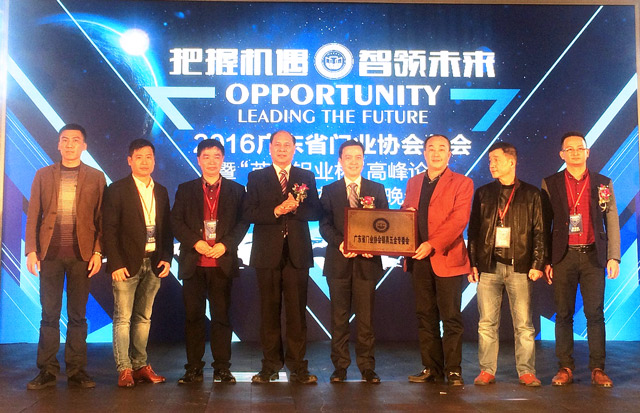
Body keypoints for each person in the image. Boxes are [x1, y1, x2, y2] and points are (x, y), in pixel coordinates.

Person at [25, 124, 106, 389]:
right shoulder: (43, 174)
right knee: (49, 314)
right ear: (59, 144)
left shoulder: (96, 177)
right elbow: (33, 214)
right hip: (49, 255)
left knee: (78, 316)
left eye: (75, 140)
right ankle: (47, 370)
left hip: (82, 256)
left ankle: (76, 370)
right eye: (65, 140)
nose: (70, 145)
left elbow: (101, 219)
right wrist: (31, 250)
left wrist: (98, 251)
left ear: (84, 146)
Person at [541, 132, 620, 387]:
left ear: (587, 152)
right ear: (562, 154)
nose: (575, 152)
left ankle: (598, 368)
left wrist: (614, 256)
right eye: (569, 149)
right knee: (563, 314)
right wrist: (546, 260)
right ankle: (565, 367)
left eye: (580, 148)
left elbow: (611, 220)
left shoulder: (602, 183)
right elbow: (544, 225)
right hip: (562, 257)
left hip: (593, 256)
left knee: (595, 314)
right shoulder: (550, 183)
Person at [243, 130, 322, 384]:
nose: (282, 149)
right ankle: (270, 366)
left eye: (287, 145)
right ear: (269, 148)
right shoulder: (256, 177)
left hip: (297, 254)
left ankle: (298, 366)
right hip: (267, 254)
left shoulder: (306, 176)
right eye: (277, 144)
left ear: (295, 148)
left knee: (297, 313)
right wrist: (276, 210)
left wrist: (296, 208)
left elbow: (316, 211)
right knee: (269, 312)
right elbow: (249, 212)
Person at [467, 142, 545, 387]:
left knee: (524, 324)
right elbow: (474, 231)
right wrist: (473, 263)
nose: (491, 164)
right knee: (486, 323)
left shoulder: (531, 194)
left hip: (519, 267)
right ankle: (486, 370)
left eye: (496, 160)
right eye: (490, 160)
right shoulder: (483, 193)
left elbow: (540, 231)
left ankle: (526, 371)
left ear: (511, 162)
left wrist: (537, 263)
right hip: (489, 266)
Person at [171, 139, 249, 384]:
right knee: (193, 318)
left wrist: (225, 245)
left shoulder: (237, 190)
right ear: (198, 160)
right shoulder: (185, 189)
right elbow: (176, 222)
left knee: (221, 318)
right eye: (206, 156)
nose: (212, 161)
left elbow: (243, 223)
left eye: (216, 156)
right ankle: (193, 368)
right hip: (194, 262)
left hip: (221, 262)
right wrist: (196, 242)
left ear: (223, 159)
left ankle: (222, 368)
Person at [401, 134, 473, 386]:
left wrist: (432, 244)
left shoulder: (462, 182)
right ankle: (431, 367)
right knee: (425, 316)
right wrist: (405, 215)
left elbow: (458, 220)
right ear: (424, 153)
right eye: (431, 148)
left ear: (449, 154)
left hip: (446, 257)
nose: (436, 153)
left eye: (442, 148)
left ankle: (453, 369)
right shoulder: (413, 182)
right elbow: (405, 214)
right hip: (418, 259)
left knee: (451, 317)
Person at [102, 139, 173, 388]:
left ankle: (140, 365)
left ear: (154, 160)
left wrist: (167, 257)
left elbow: (166, 229)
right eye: (139, 157)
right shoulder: (117, 189)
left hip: (153, 262)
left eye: (149, 157)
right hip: (126, 264)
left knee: (144, 317)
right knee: (123, 318)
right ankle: (124, 369)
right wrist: (115, 263)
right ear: (129, 160)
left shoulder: (161, 191)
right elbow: (109, 229)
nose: (145, 162)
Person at [319, 140, 389, 384]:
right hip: (338, 262)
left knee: (366, 319)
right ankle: (340, 367)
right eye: (348, 157)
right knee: (339, 318)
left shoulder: (376, 189)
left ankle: (367, 367)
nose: (353, 161)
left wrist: (373, 246)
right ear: (340, 161)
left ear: (364, 160)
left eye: (358, 157)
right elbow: (324, 225)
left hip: (367, 264)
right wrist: (342, 243)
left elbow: (384, 223)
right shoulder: (329, 190)